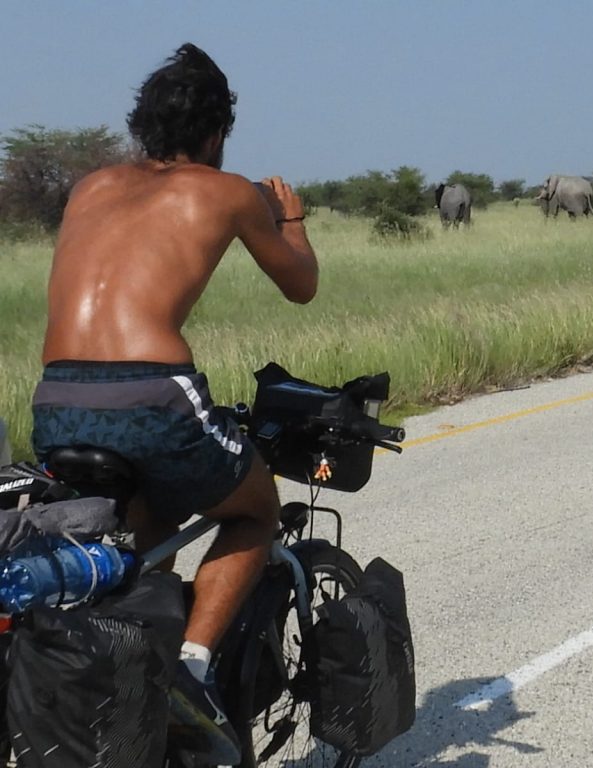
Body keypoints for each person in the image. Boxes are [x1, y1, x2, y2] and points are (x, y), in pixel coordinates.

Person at [30, 43, 318, 764]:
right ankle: (189, 667)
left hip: (56, 400)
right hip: (153, 394)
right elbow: (301, 285)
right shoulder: (225, 190)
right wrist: (292, 219)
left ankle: (135, 658)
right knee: (254, 508)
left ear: (142, 126)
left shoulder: (90, 185)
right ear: (217, 132)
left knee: (149, 525)